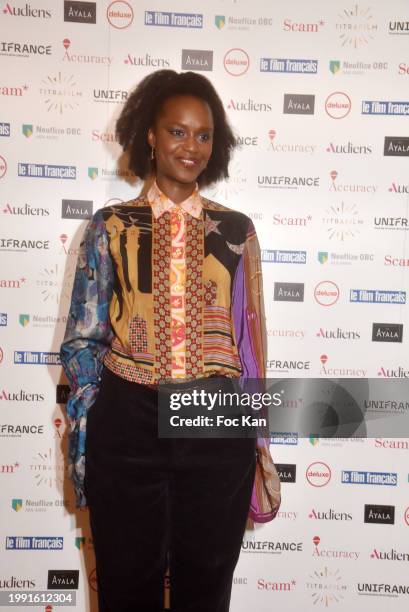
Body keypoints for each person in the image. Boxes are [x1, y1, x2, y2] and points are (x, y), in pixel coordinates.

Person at [60, 69, 280, 612]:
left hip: (212, 414)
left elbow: (249, 343)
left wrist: (253, 430)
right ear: (150, 136)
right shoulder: (111, 225)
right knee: (125, 584)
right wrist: (97, 417)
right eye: (177, 131)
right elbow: (83, 338)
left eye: (204, 135)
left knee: (206, 587)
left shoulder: (237, 230)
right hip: (128, 418)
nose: (192, 146)